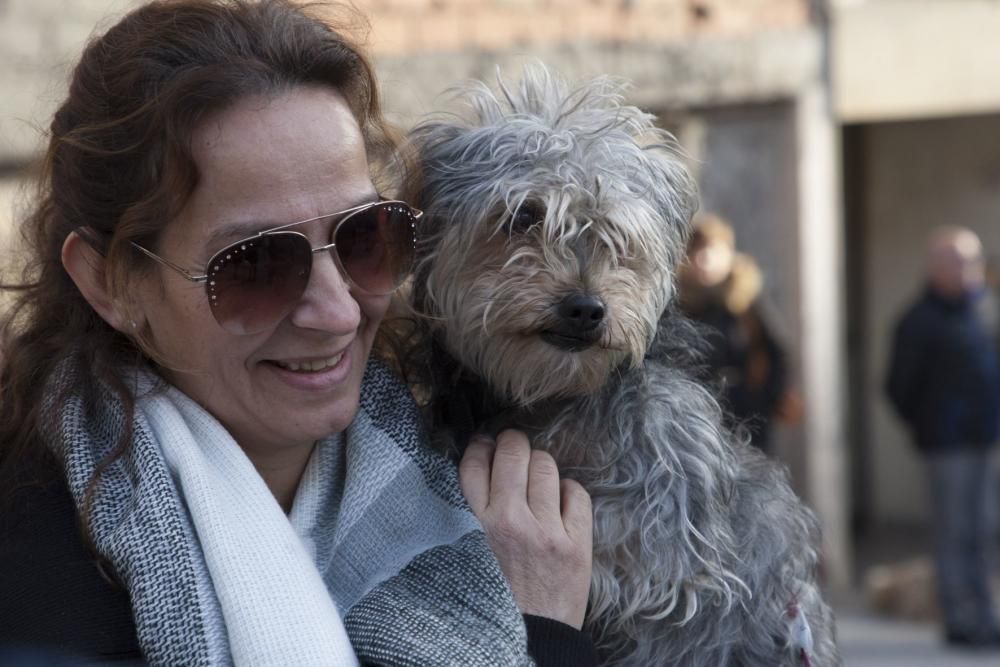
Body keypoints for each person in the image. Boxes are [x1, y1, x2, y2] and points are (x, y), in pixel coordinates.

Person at [0, 1, 595, 664]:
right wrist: (540, 638)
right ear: (110, 282)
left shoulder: (480, 492)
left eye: (367, 237)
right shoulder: (36, 589)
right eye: (255, 263)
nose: (338, 311)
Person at [886, 226, 1000, 648]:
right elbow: (899, 386)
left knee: (983, 531)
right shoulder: (919, 320)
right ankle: (959, 619)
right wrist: (929, 425)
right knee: (953, 532)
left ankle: (985, 614)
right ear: (938, 268)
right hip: (946, 445)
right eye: (960, 261)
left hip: (985, 439)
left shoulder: (984, 309)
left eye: (974, 260)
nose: (970, 269)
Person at [677, 213, 795, 453]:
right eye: (697, 252)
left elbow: (776, 354)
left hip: (748, 423)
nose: (705, 260)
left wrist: (764, 400)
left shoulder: (744, 304)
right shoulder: (677, 307)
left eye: (713, 251)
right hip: (694, 421)